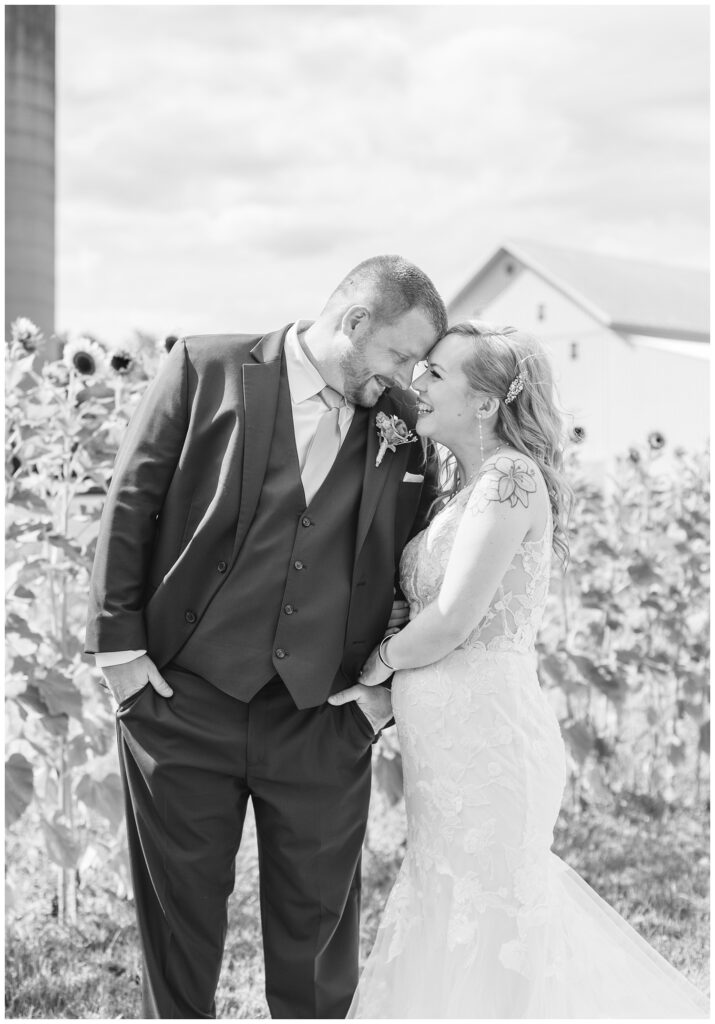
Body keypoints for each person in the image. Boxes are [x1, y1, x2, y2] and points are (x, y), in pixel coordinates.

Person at [84, 255, 447, 1019]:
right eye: (400, 354)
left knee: (316, 942)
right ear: (353, 323)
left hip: (322, 716)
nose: (409, 376)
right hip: (183, 702)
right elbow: (131, 503)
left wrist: (375, 700)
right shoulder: (206, 367)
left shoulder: (407, 430)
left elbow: (418, 566)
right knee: (179, 931)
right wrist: (120, 654)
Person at [332, 320, 709, 1018]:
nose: (418, 382)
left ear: (484, 403)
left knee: (493, 911)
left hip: (489, 739)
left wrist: (377, 666)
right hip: (443, 745)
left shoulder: (510, 476)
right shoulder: (457, 489)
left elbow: (452, 620)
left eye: (437, 374)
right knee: (445, 899)